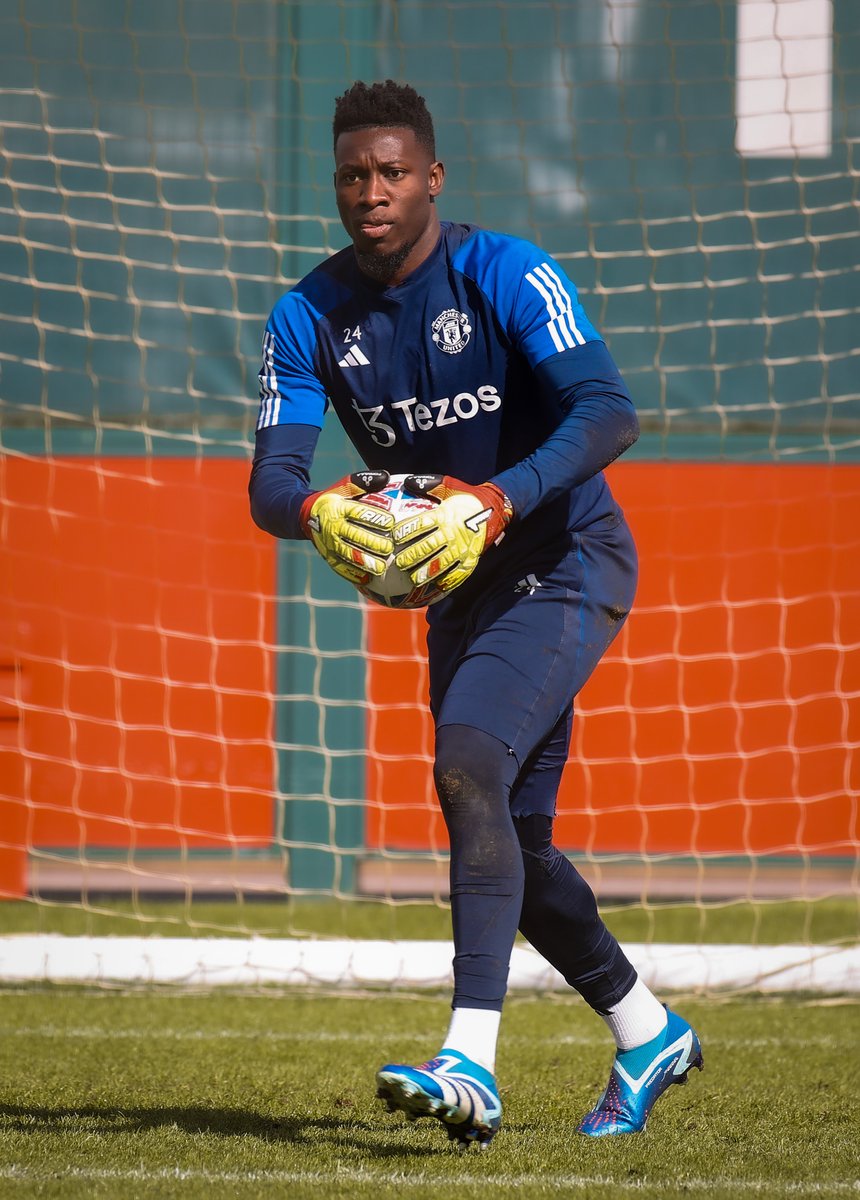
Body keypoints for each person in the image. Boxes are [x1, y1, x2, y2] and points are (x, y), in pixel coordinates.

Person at [249, 79, 703, 1147]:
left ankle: (470, 1062)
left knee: (463, 767)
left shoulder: (506, 271)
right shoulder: (304, 314)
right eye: (354, 174)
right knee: (512, 838)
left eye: (393, 171)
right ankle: (647, 1032)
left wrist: (496, 499)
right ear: (336, 184)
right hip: (454, 592)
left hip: (564, 556)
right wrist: (323, 505)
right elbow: (272, 485)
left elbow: (609, 410)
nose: (373, 191)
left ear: (433, 178)